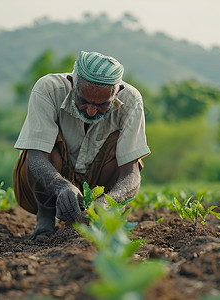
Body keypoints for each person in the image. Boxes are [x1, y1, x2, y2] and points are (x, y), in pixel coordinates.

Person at [12, 50, 150, 239]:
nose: (92, 111)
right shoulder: (48, 89)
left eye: (102, 105)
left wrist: (106, 203)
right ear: (72, 85)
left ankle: (100, 221)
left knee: (123, 152)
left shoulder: (132, 101)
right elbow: (35, 156)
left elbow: (130, 172)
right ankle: (45, 219)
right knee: (40, 144)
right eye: (84, 101)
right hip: (53, 177)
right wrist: (60, 186)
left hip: (99, 182)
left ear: (117, 92)